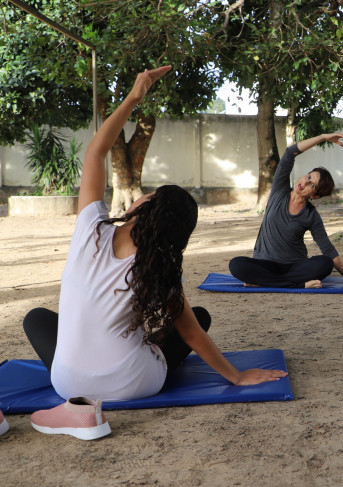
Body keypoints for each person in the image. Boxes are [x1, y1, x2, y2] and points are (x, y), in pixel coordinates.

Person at [22, 66, 286, 438]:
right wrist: (237, 376)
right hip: (135, 383)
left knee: (36, 318)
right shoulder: (161, 267)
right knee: (199, 318)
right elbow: (192, 335)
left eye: (148, 194)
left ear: (146, 206)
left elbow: (95, 152)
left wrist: (133, 97)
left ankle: (83, 393)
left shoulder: (90, 230)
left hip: (67, 386)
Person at [229, 133, 343, 289]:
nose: (304, 182)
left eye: (312, 184)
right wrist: (323, 137)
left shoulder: (311, 215)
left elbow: (327, 249)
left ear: (315, 195)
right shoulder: (280, 190)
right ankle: (297, 284)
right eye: (309, 176)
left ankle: (265, 281)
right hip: (265, 264)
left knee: (324, 264)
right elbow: (290, 153)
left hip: (295, 267)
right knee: (236, 264)